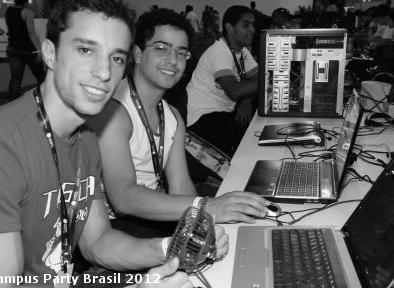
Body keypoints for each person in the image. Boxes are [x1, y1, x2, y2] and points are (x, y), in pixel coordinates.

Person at [0, 1, 227, 287]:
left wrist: (170, 249)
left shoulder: (85, 138)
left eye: (116, 58)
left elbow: (97, 241)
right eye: (86, 50)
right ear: (50, 53)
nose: (104, 72)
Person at [88, 8, 270, 239]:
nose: (173, 60)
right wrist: (207, 207)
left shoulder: (172, 116)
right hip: (114, 230)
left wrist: (203, 222)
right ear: (137, 53)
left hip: (154, 215)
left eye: (181, 53)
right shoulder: (114, 112)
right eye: (161, 48)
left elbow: (181, 187)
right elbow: (123, 198)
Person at [186, 5, 257, 156]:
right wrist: (275, 80)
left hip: (223, 110)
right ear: (230, 28)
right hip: (202, 116)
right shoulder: (219, 52)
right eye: (246, 25)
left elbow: (257, 78)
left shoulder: (242, 51)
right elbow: (235, 91)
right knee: (247, 143)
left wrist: (247, 100)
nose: (252, 30)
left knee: (255, 120)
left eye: (253, 25)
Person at [5, 0, 45, 101]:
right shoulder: (28, 12)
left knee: (15, 79)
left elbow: (11, 28)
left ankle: (12, 104)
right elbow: (31, 32)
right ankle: (44, 100)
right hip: (27, 50)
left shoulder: (8, 10)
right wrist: (39, 51)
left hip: (12, 48)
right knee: (41, 78)